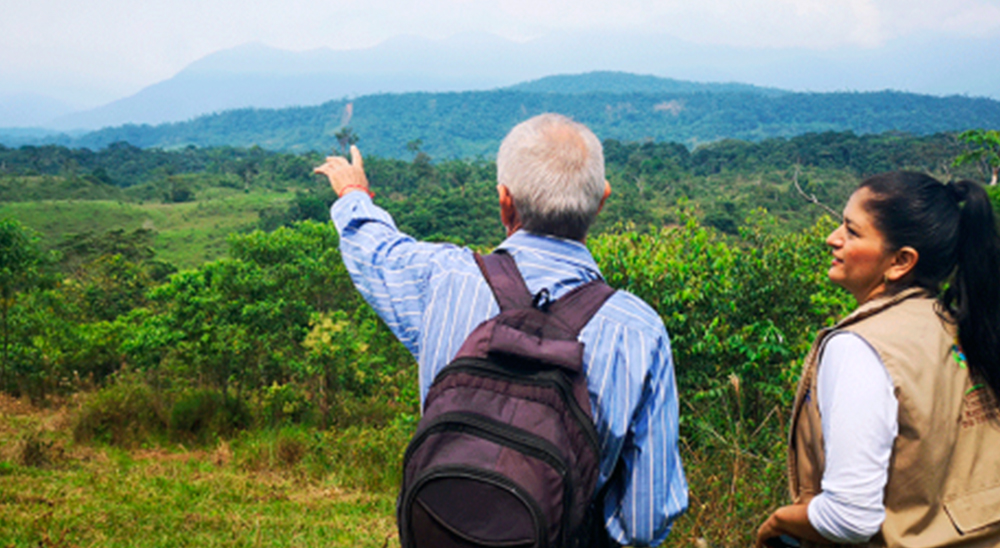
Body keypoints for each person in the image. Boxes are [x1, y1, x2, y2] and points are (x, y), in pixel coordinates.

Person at [314, 113, 688, 546]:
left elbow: (374, 249)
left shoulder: (443, 279)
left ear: (504, 201)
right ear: (601, 201)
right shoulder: (639, 331)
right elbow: (646, 518)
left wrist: (354, 192)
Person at [756, 171, 1000, 548]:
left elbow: (850, 517)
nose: (832, 238)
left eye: (852, 232)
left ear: (901, 261)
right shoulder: (963, 325)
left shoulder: (861, 347)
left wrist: (777, 523)